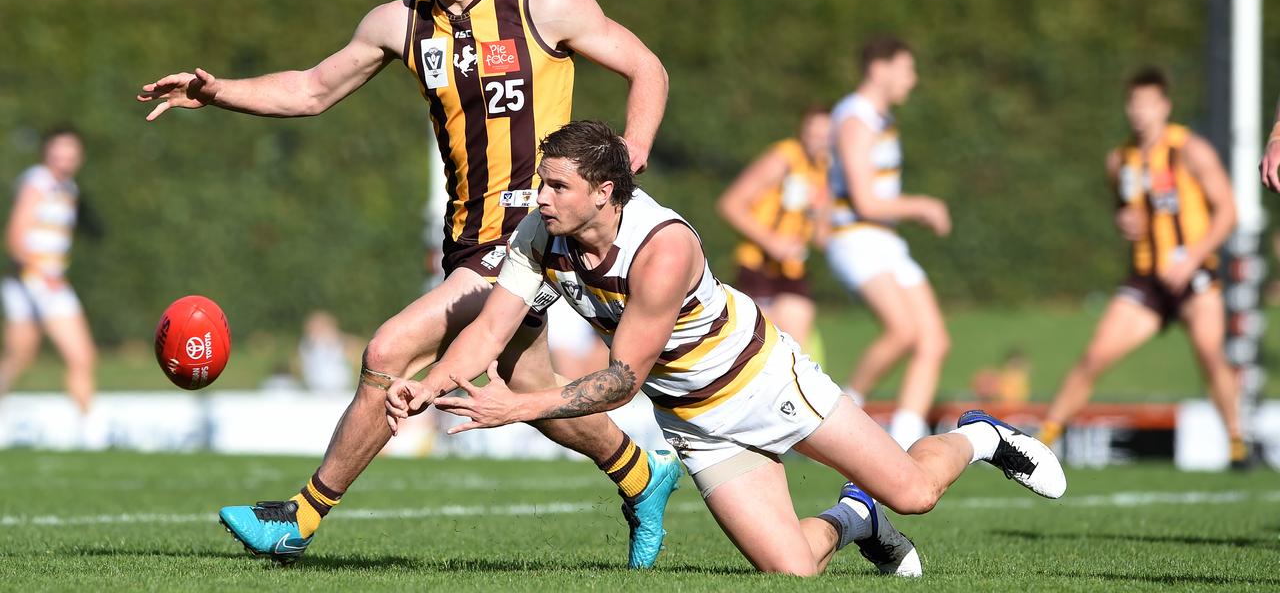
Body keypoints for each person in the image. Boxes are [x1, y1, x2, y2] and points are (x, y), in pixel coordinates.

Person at [136, 0, 676, 567]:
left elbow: (648, 69)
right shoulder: (400, 23)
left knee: (388, 353)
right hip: (466, 240)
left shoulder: (547, 4)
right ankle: (642, 473)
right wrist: (216, 93)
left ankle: (296, 520)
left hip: (531, 236)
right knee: (532, 387)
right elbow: (310, 90)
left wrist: (630, 155)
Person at [386, 121, 1065, 577]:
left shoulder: (661, 249)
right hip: (697, 424)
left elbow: (623, 379)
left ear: (605, 192)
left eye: (557, 184)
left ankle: (979, 436)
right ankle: (855, 517)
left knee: (916, 493)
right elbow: (488, 330)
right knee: (793, 570)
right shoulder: (542, 232)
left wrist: (522, 406)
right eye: (543, 181)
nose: (542, 195)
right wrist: (426, 384)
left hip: (765, 382)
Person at [1039, 68, 1245, 464]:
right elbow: (1125, 211)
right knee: (1096, 354)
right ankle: (1044, 438)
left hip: (1195, 274)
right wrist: (1123, 221)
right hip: (1147, 280)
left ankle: (1237, 441)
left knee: (1209, 352)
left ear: (1164, 106)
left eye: (1148, 104)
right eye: (1134, 104)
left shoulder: (1189, 149)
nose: (1139, 112)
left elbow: (1227, 211)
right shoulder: (1120, 160)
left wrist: (1193, 259)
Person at [827, 37, 950, 448]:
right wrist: (922, 206)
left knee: (933, 340)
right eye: (907, 69)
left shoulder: (880, 118)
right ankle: (837, 415)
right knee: (902, 331)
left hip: (884, 240)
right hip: (857, 238)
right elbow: (863, 200)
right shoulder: (856, 119)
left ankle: (907, 441)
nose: (912, 80)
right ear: (879, 69)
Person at [0, 127, 104, 447]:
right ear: (47, 152)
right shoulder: (39, 182)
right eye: (59, 151)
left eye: (71, 152)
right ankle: (91, 436)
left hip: (25, 284)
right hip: (39, 281)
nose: (65, 158)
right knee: (82, 355)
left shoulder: (67, 188)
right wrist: (43, 274)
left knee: (18, 357)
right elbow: (15, 237)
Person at [716, 108, 830, 347]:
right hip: (758, 264)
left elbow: (822, 236)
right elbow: (730, 204)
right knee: (759, 345)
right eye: (812, 132)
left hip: (792, 268)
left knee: (797, 334)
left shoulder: (825, 169)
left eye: (824, 134)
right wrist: (771, 241)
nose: (817, 140)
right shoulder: (783, 159)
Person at [296, 310, 362, 393]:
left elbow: (354, 346)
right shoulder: (307, 343)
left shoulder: (339, 340)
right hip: (316, 388)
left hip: (340, 388)